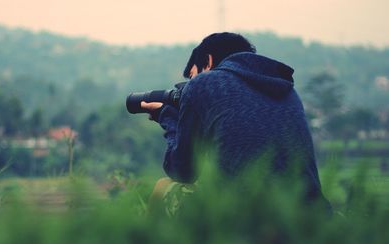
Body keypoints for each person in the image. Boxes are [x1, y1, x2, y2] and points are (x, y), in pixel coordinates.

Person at [141, 32, 330, 208]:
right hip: (310, 212)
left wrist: (168, 117)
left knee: (162, 186)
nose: (187, 87)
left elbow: (182, 171)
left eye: (192, 76)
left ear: (208, 62)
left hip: (245, 213)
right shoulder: (288, 90)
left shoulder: (203, 83)